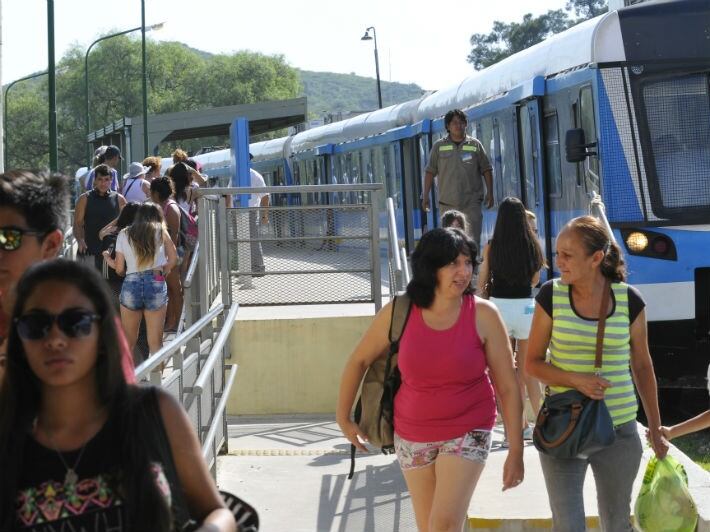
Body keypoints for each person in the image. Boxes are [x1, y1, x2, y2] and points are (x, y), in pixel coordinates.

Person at [0, 259, 235, 531]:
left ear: (102, 333)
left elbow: (217, 511)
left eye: (75, 322)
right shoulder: (8, 434)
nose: (55, 339)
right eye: (35, 324)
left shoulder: (155, 411)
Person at [337, 228, 524, 532]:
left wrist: (515, 450)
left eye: (468, 262)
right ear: (429, 267)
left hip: (469, 428)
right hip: (412, 432)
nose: (463, 272)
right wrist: (343, 417)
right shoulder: (400, 310)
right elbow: (359, 360)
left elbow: (507, 386)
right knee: (430, 528)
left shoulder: (484, 314)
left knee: (444, 526)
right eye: (453, 263)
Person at [525, 215, 668, 532]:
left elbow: (643, 366)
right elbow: (531, 363)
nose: (557, 262)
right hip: (563, 427)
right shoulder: (551, 296)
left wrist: (655, 427)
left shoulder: (629, 300)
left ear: (596, 258)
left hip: (619, 431)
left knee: (617, 523)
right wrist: (577, 381)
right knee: (568, 525)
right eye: (557, 252)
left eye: (567, 255)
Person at [477, 197, 545, 442]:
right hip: (526, 310)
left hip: (499, 312)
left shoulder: (492, 247)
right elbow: (535, 280)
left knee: (504, 374)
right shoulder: (533, 246)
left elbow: (482, 279)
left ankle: (510, 432)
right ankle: (542, 425)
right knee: (529, 372)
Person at [104, 203, 177, 355]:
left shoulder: (124, 233)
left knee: (129, 341)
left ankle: (127, 378)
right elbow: (173, 258)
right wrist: (164, 271)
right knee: (156, 342)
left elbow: (119, 269)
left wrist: (107, 258)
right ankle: (157, 378)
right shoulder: (160, 230)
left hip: (131, 282)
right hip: (156, 280)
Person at [422, 109, 494, 247]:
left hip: (471, 204)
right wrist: (425, 196)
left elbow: (486, 169)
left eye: (462, 122)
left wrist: (490, 193)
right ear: (448, 126)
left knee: (471, 241)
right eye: (454, 123)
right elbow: (430, 171)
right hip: (448, 204)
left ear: (466, 124)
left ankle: (471, 268)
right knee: (450, 242)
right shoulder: (439, 147)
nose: (458, 126)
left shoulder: (475, 145)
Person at [74, 164, 126, 272]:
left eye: (106, 179)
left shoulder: (119, 199)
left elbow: (126, 224)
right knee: (88, 284)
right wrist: (80, 240)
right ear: (95, 180)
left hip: (111, 252)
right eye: (100, 179)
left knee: (110, 287)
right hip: (89, 250)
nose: (103, 183)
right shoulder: (84, 199)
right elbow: (78, 223)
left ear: (111, 180)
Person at [150, 176, 182, 333]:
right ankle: (171, 321)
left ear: (156, 192)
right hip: (164, 256)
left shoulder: (170, 208)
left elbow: (174, 236)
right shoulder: (163, 206)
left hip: (171, 256)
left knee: (175, 289)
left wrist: (170, 259)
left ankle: (179, 322)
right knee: (169, 289)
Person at [249, 161, 270, 276]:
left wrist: (264, 215)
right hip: (236, 212)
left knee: (253, 240)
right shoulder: (235, 175)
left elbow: (265, 196)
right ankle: (247, 267)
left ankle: (258, 268)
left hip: (252, 212)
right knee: (243, 241)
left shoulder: (256, 176)